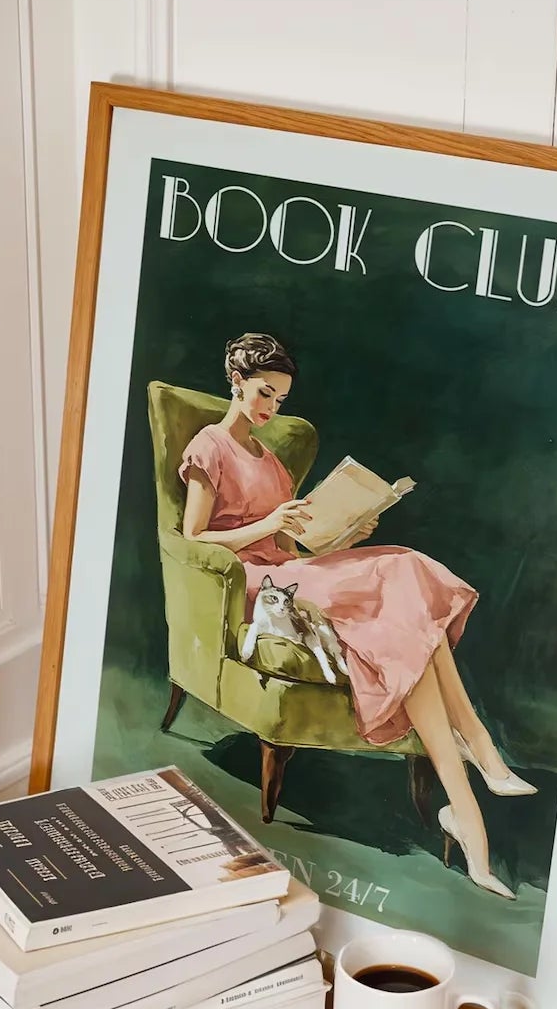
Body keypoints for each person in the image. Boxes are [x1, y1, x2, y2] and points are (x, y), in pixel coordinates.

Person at [178, 332, 534, 899]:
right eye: (264, 393)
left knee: (406, 596)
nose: (271, 408)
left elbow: (298, 550)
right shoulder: (208, 445)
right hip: (245, 585)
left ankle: (468, 814)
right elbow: (193, 539)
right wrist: (272, 526)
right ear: (237, 381)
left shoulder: (272, 462)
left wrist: (345, 532)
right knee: (404, 574)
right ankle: (479, 749)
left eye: (280, 400)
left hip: (289, 573)